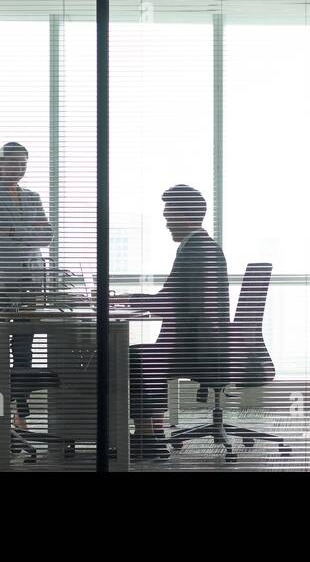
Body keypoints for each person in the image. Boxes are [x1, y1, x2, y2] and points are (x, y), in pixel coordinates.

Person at [121, 184, 229, 460]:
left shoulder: (196, 251)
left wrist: (129, 302)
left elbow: (181, 305)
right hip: (202, 342)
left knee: (137, 357)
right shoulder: (198, 246)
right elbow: (172, 297)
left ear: (186, 214)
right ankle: (154, 433)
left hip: (198, 347)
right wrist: (128, 299)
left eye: (170, 212)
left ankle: (148, 438)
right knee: (144, 356)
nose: (166, 219)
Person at [0, 142, 54, 431]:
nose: (19, 169)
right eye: (14, 163)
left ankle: (21, 414)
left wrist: (12, 230)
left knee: (24, 348)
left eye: (23, 164)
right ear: (0, 162)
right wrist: (26, 230)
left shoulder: (32, 197)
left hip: (30, 280)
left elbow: (48, 235)